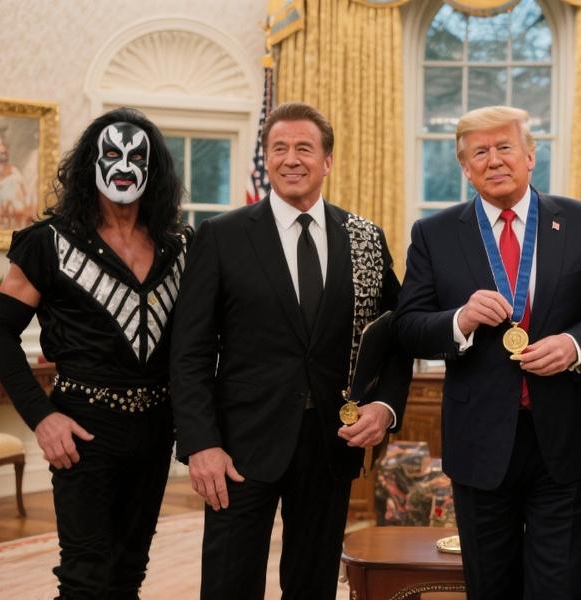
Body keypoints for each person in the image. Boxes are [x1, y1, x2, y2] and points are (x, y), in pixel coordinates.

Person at [170, 102, 412, 600]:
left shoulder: (364, 239)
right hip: (237, 448)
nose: (291, 159)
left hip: (331, 443)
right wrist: (200, 443)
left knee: (313, 586)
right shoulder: (221, 236)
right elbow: (189, 350)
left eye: (304, 147)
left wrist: (385, 407)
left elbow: (398, 334)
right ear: (267, 158)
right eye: (279, 148)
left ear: (327, 161)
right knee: (228, 586)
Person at [395, 105, 581, 599]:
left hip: (566, 436)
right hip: (480, 442)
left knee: (561, 587)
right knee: (490, 587)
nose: (494, 160)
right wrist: (460, 319)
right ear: (465, 168)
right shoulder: (433, 234)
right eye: (479, 152)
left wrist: (573, 345)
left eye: (505, 147)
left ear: (530, 156)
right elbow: (408, 327)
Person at [0, 107, 187, 599]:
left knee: (128, 573)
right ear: (91, 164)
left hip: (157, 428)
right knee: (85, 578)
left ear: (154, 170)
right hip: (83, 429)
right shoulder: (48, 243)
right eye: (112, 154)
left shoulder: (179, 247)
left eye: (137, 158)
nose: (124, 167)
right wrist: (42, 418)